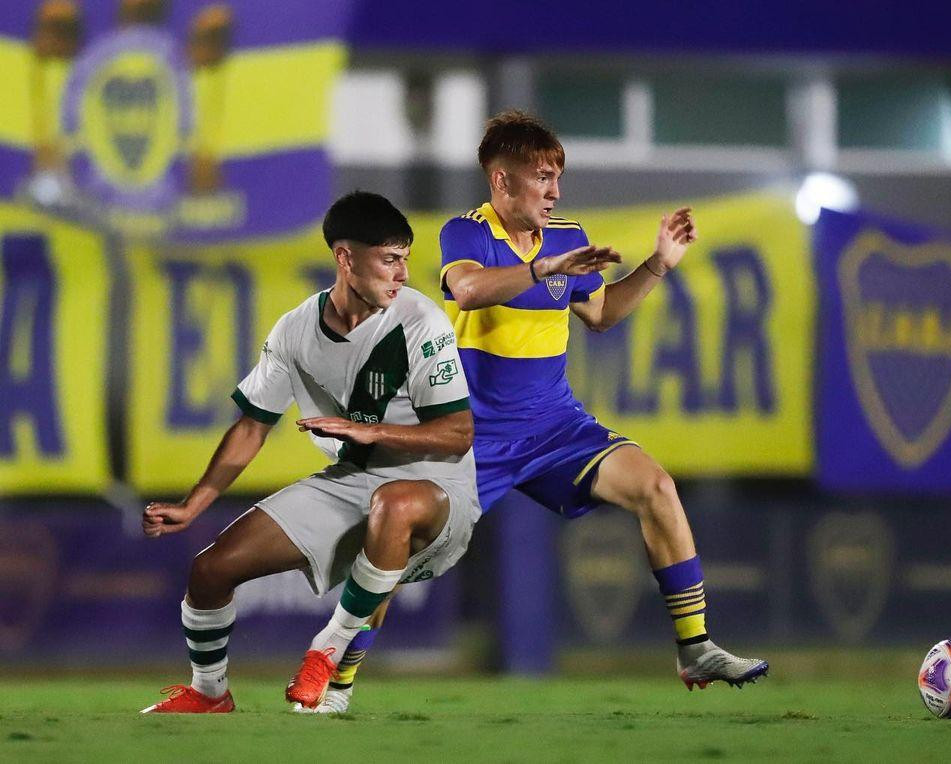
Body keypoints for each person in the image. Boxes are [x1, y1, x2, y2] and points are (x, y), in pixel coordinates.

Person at [307, 111, 767, 713]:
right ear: (501, 182)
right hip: (472, 437)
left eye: (557, 177)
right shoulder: (466, 232)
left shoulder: (569, 237)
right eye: (542, 177)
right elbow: (468, 290)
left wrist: (656, 265)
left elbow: (601, 315)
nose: (555, 190)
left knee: (655, 485)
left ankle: (695, 646)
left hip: (555, 428)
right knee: (394, 556)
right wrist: (542, 269)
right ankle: (333, 686)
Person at [140, 191, 481, 713]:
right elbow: (252, 426)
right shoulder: (295, 330)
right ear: (346, 258)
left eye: (405, 259)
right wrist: (194, 504)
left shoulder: (420, 321)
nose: (403, 274)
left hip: (439, 486)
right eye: (390, 259)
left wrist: (372, 433)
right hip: (352, 481)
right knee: (210, 570)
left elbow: (458, 433)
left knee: (393, 505)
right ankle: (210, 694)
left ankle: (328, 652)